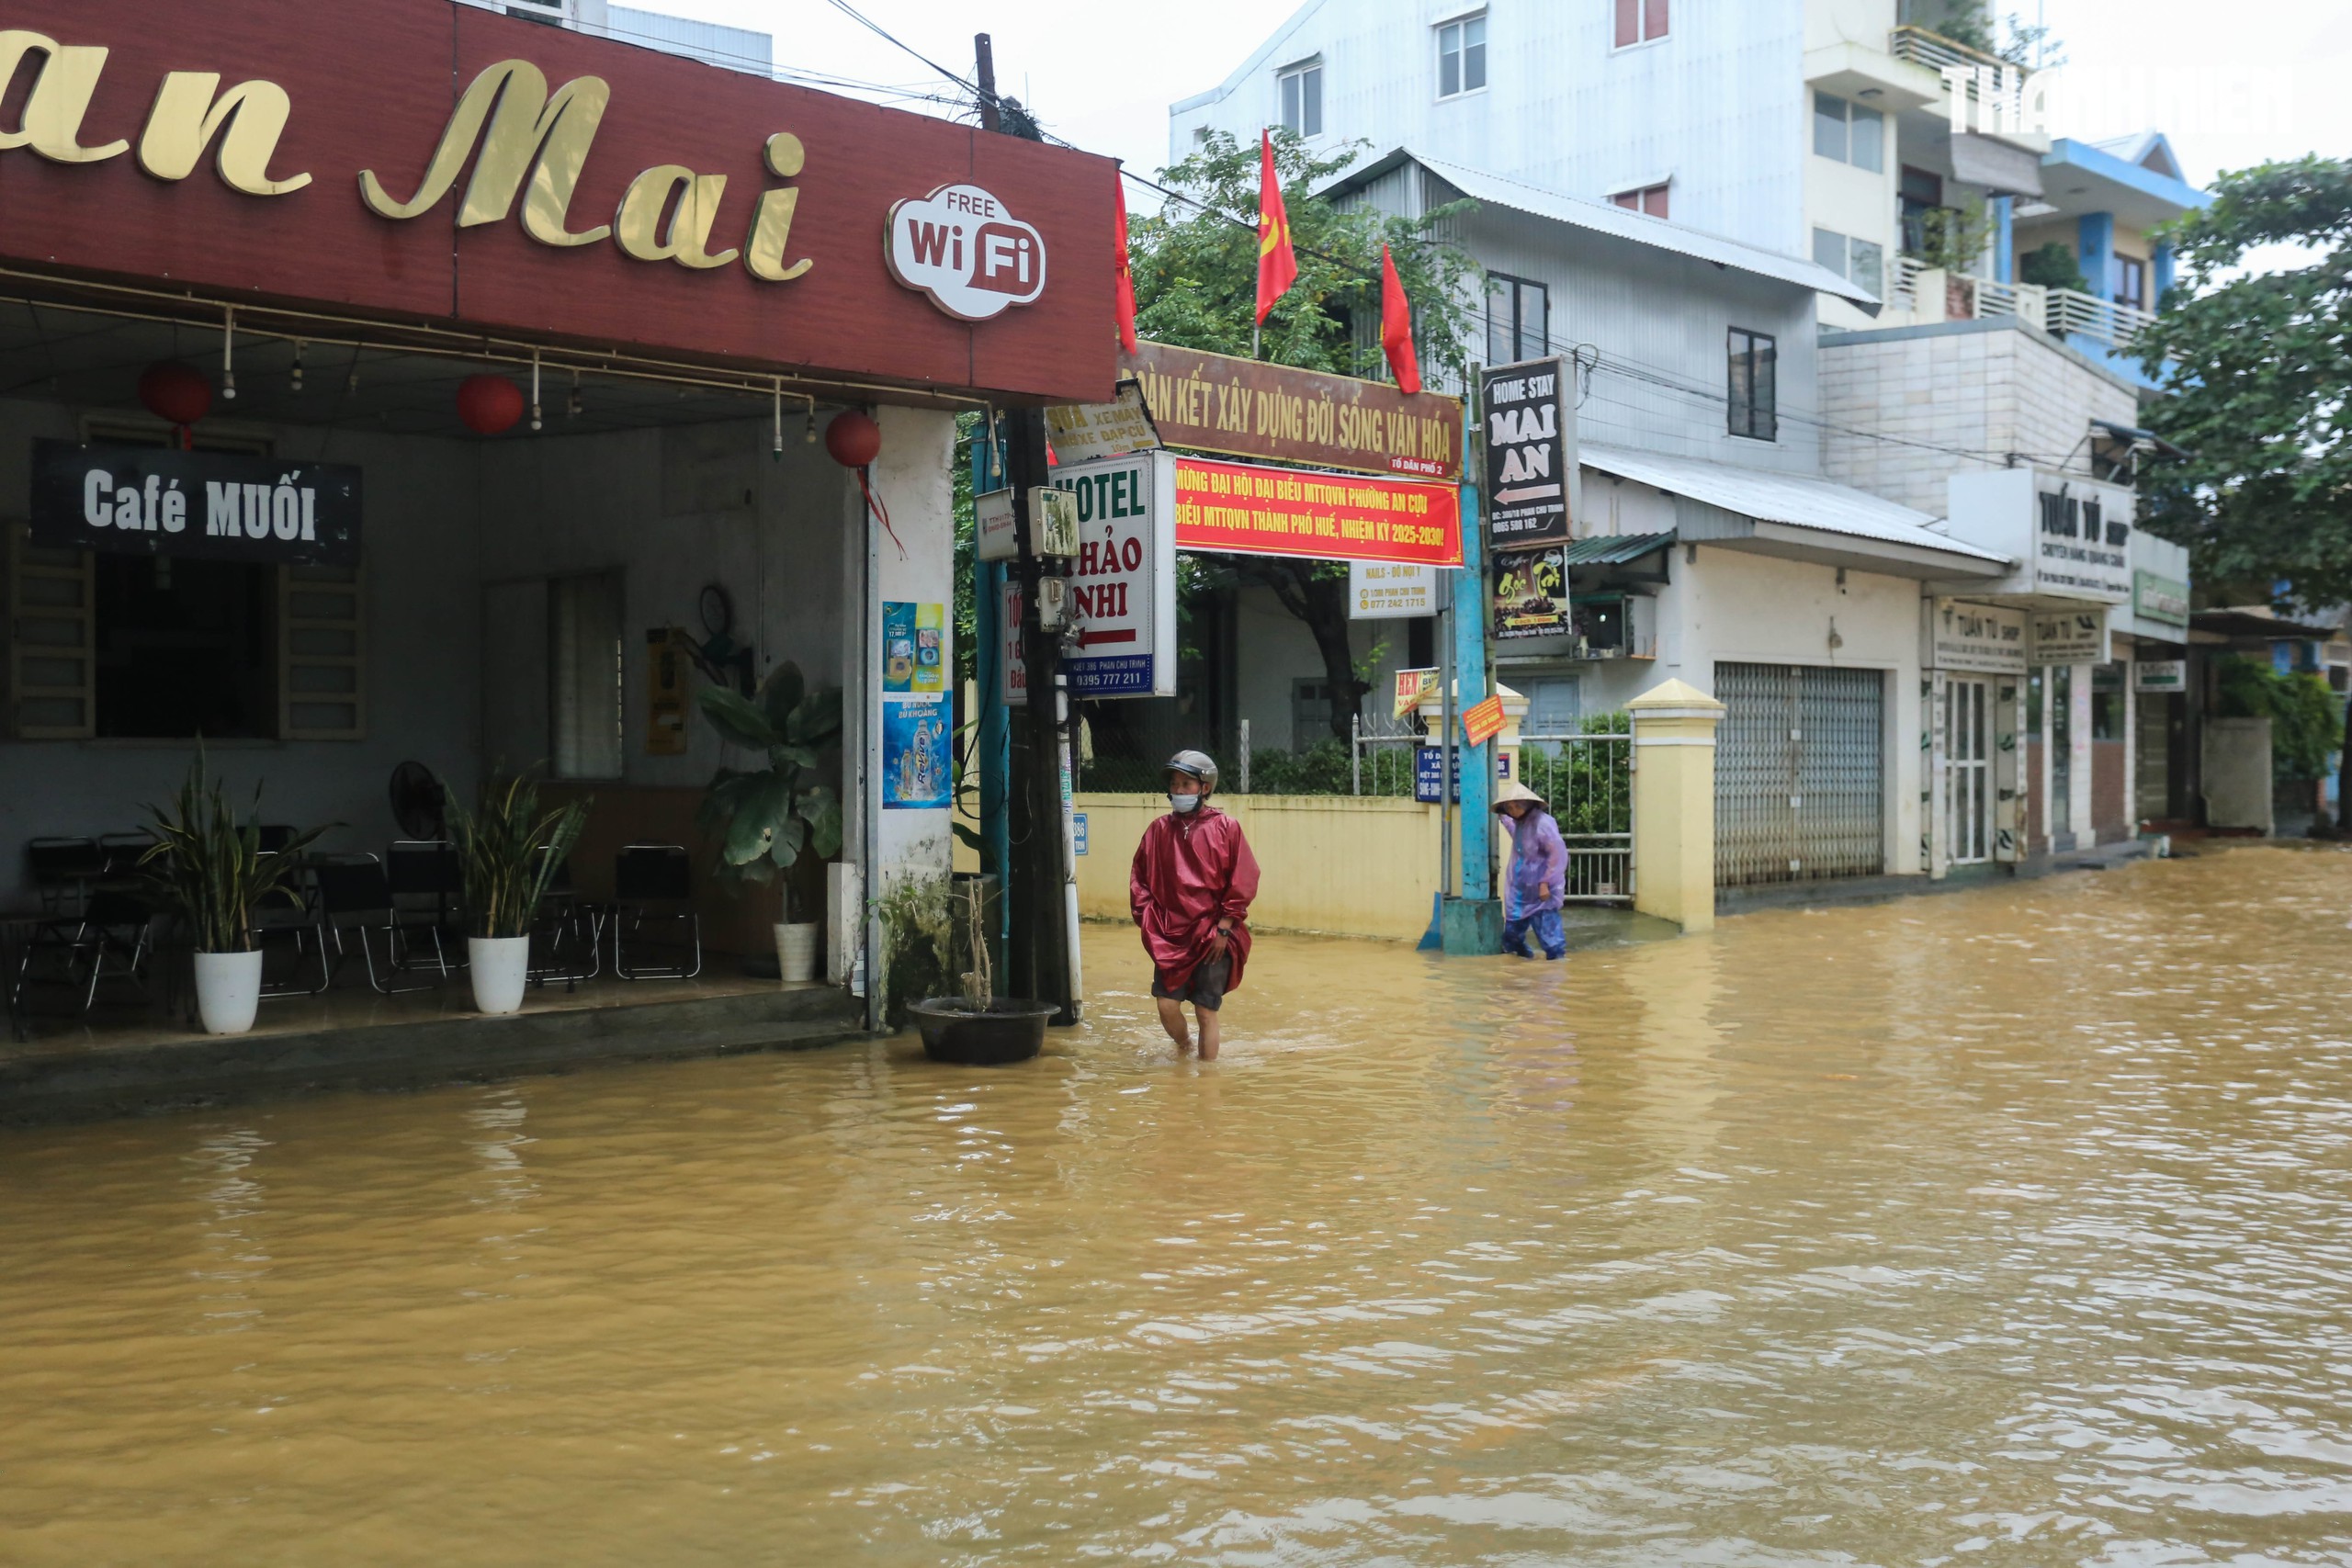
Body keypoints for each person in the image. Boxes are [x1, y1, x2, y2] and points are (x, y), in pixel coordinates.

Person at [1129, 750, 1260, 1060]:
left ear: (1204, 788)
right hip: (1170, 935)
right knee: (1166, 1005)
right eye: (1174, 783)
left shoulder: (1227, 827)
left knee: (1205, 1010)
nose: (1177, 790)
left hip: (1214, 935)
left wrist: (1224, 928)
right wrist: (1153, 923)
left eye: (1186, 784)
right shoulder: (1158, 830)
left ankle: (1205, 1084)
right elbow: (1140, 881)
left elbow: (1243, 879)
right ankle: (1185, 1047)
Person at [1495, 779, 1567, 961]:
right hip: (1520, 890)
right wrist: (1503, 819)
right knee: (1512, 935)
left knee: (1551, 938)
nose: (1512, 811)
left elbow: (1557, 854)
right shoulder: (1520, 823)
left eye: (1515, 807)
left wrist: (1545, 882)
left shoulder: (1543, 823)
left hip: (1541, 891)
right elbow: (1520, 840)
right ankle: (1522, 964)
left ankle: (1556, 969)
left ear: (1525, 804)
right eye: (1508, 808)